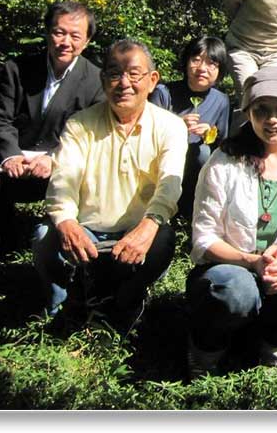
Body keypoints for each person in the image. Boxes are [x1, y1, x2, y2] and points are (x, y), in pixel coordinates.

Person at [31, 39, 187, 335]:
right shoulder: (80, 124)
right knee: (44, 237)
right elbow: (62, 179)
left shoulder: (170, 127)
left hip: (136, 230)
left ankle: (127, 300)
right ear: (103, 81)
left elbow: (170, 184)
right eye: (114, 73)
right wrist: (66, 222)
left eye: (134, 74)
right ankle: (62, 308)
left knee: (163, 239)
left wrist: (148, 226)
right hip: (87, 230)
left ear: (152, 81)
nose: (123, 83)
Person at [185, 67, 277, 378]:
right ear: (248, 113)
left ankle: (271, 346)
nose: (272, 119)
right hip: (230, 268)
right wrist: (252, 262)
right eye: (262, 110)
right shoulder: (223, 163)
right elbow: (204, 239)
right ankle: (206, 351)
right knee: (235, 288)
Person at [0, 1, 105, 261]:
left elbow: (91, 134)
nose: (65, 42)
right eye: (59, 32)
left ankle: (61, 252)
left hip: (62, 165)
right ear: (48, 33)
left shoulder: (95, 81)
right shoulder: (17, 69)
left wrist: (54, 158)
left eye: (75, 35)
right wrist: (11, 155)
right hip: (16, 163)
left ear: (87, 41)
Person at [150, 36, 231, 219]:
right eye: (196, 60)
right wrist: (177, 126)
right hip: (161, 158)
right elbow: (147, 133)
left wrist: (209, 134)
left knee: (203, 152)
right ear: (186, 62)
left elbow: (222, 144)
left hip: (197, 167)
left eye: (212, 64)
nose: (202, 68)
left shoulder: (221, 101)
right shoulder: (163, 93)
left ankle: (191, 214)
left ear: (220, 70)